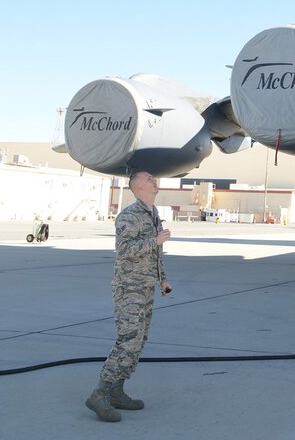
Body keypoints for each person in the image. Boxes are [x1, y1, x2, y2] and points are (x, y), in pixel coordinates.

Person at [85, 171, 172, 422]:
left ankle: (116, 391)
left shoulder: (153, 214)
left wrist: (162, 279)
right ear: (137, 188)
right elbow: (124, 251)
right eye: (148, 179)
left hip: (145, 287)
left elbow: (156, 254)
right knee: (127, 341)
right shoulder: (129, 215)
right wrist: (154, 240)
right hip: (128, 288)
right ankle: (99, 394)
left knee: (139, 341)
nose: (154, 180)